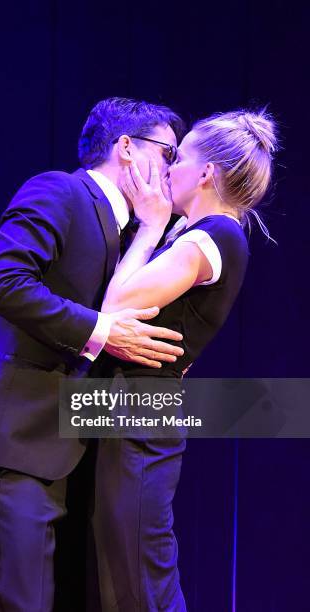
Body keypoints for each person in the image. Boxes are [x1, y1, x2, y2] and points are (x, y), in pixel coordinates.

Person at [0, 97, 187, 612]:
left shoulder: (135, 233)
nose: (171, 171)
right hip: (19, 447)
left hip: (81, 455)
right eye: (167, 154)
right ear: (126, 148)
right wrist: (102, 331)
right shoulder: (60, 189)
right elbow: (3, 283)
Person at [91, 109, 277, 611]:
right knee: (120, 572)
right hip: (127, 407)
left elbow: (117, 306)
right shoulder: (199, 233)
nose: (167, 169)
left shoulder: (211, 236)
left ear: (206, 174)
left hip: (140, 412)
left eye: (179, 158)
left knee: (140, 574)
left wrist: (150, 226)